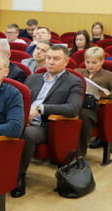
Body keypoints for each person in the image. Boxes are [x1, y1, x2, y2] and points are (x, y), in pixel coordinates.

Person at [12, 45, 83, 198]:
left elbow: (73, 108)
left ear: (66, 62)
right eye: (49, 58)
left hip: (47, 126)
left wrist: (41, 108)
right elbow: (19, 101)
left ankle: (18, 176)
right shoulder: (33, 78)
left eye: (56, 59)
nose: (50, 62)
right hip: (23, 120)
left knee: (25, 134)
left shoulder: (74, 81)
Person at [77, 47, 112, 155]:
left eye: (94, 63)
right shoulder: (78, 72)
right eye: (87, 62)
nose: (90, 65)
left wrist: (108, 94)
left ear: (102, 61)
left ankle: (79, 155)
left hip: (94, 108)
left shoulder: (109, 75)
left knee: (83, 116)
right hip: (77, 103)